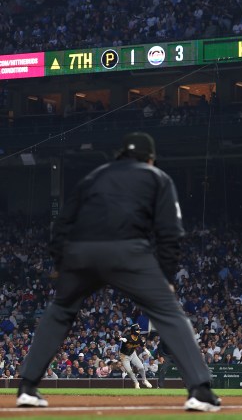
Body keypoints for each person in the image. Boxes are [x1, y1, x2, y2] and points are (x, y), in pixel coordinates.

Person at [16, 132, 221, 412]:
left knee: (60, 310)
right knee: (168, 313)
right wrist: (167, 278)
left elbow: (62, 222)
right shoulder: (157, 177)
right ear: (150, 158)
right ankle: (200, 390)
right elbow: (170, 233)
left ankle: (27, 387)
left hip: (81, 251)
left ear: (121, 155)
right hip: (128, 251)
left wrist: (61, 262)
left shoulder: (95, 176)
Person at [115, 324, 152, 389]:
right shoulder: (127, 337)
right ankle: (136, 382)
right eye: (137, 330)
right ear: (134, 330)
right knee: (129, 371)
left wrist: (146, 350)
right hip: (124, 356)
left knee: (141, 367)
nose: (139, 331)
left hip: (132, 354)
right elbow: (116, 338)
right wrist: (121, 338)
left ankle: (144, 380)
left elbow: (142, 344)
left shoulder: (139, 338)